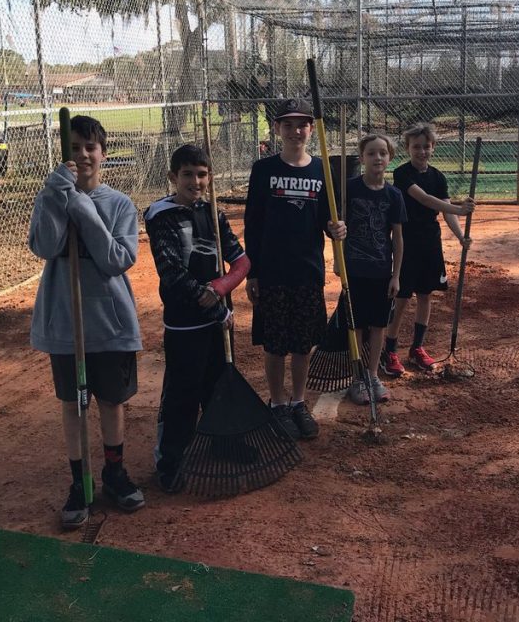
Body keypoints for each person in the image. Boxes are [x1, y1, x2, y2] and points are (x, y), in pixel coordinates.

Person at [28, 114, 145, 530]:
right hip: (66, 322)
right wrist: (56, 199)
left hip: (109, 323)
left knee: (111, 401)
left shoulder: (119, 205)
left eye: (89, 148)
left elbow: (116, 259)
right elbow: (44, 245)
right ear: (64, 154)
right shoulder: (51, 196)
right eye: (74, 148)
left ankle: (114, 472)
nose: (82, 155)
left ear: (103, 154)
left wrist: (80, 204)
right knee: (73, 403)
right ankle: (80, 481)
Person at [143, 143, 251, 493]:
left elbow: (242, 262)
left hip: (217, 320)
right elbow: (172, 273)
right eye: (187, 174)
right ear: (173, 177)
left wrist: (221, 289)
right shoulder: (160, 216)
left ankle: (223, 441)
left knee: (218, 387)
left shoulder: (214, 214)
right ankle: (170, 460)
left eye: (202, 174)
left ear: (210, 177)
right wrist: (215, 302)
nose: (196, 181)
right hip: (184, 323)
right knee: (182, 396)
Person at [244, 97, 346, 441]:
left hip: (307, 270)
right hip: (272, 271)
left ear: (310, 128)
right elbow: (253, 223)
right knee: (275, 344)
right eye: (287, 124)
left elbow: (326, 221)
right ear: (277, 129)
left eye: (302, 124)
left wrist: (336, 229)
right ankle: (277, 403)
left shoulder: (322, 171)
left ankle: (299, 402)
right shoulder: (263, 170)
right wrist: (253, 271)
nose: (295, 130)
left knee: (302, 344)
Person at [382, 123, 474, 375]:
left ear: (433, 147)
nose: (421, 151)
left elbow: (444, 210)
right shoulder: (403, 174)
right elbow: (423, 198)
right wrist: (459, 207)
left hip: (430, 242)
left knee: (425, 295)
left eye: (426, 146)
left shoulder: (438, 176)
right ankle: (389, 349)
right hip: (407, 242)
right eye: (416, 147)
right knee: (401, 297)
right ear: (408, 149)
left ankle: (417, 348)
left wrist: (460, 236)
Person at [343, 133, 406, 405]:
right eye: (371, 153)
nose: (377, 158)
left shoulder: (394, 195)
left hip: (382, 271)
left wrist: (396, 275)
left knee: (379, 324)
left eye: (382, 153)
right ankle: (357, 378)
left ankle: (372, 374)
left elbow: (398, 238)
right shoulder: (350, 189)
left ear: (390, 158)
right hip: (355, 271)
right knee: (356, 325)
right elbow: (337, 226)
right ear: (362, 159)